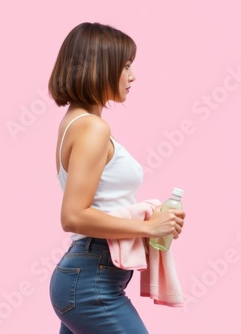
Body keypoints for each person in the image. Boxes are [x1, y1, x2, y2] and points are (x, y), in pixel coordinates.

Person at [47, 22, 185, 334]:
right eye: (125, 66)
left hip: (87, 279)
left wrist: (154, 222)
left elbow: (103, 204)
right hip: (91, 285)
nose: (132, 76)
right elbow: (73, 216)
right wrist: (147, 227)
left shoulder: (78, 123)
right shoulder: (91, 128)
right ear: (99, 67)